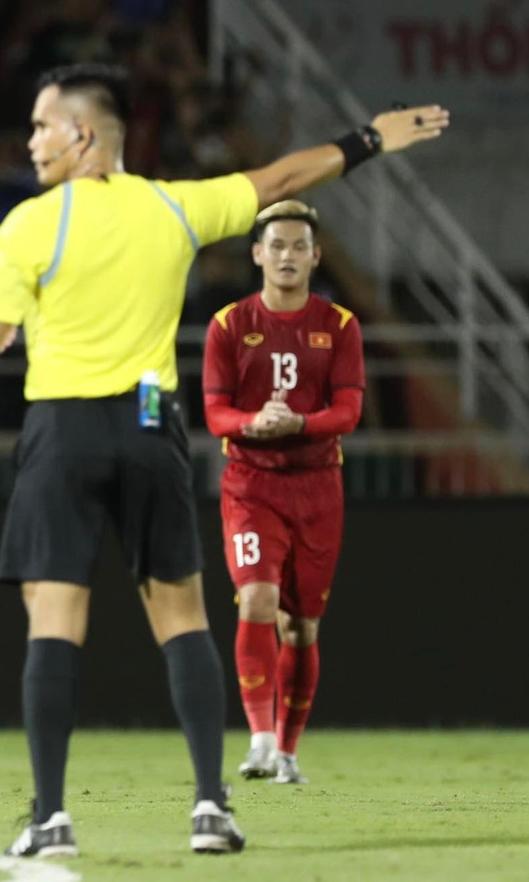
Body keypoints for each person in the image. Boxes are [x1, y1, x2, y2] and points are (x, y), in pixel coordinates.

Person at [0, 62, 446, 857]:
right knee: (183, 618)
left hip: (64, 431)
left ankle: (50, 819)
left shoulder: (29, 225)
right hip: (151, 427)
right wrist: (369, 140)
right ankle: (211, 808)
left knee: (55, 619)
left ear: (81, 133)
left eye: (42, 125)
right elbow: (282, 178)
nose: (32, 140)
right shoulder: (173, 206)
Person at [202, 200, 364, 786]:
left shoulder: (339, 326)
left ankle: (288, 752)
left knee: (301, 628)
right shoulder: (229, 325)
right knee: (256, 600)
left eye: (299, 246)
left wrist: (299, 423)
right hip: (251, 485)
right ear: (257, 254)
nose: (287, 256)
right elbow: (215, 413)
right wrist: (252, 424)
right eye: (276, 246)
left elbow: (349, 410)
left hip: (318, 489)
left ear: (316, 256)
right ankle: (261, 740)